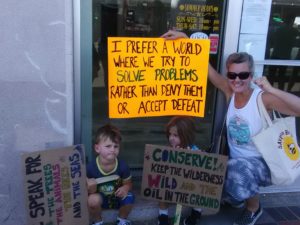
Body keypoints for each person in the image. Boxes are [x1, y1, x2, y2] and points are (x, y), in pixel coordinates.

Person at [161, 30, 300, 225]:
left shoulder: (262, 98)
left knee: (236, 172)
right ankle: (237, 193)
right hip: (236, 162)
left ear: (251, 75)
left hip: (263, 163)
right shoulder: (230, 91)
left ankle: (253, 209)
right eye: (232, 74)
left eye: (243, 74)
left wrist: (271, 89)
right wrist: (185, 40)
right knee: (208, 169)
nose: (237, 79)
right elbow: (206, 69)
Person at [158, 116, 203, 225]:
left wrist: (196, 157)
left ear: (186, 136)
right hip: (172, 186)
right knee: (161, 192)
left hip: (189, 187)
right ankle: (162, 216)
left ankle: (195, 215)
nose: (171, 138)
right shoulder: (168, 149)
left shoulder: (194, 150)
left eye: (175, 135)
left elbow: (201, 171)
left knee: (200, 194)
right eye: (170, 134)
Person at [86, 124, 135, 225]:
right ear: (97, 148)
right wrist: (88, 185)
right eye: (108, 146)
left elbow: (129, 183)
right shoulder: (91, 167)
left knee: (130, 197)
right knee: (91, 200)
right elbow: (83, 187)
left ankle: (122, 220)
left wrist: (125, 188)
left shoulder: (122, 166)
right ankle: (98, 222)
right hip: (101, 199)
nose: (113, 149)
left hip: (116, 197)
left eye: (115, 146)